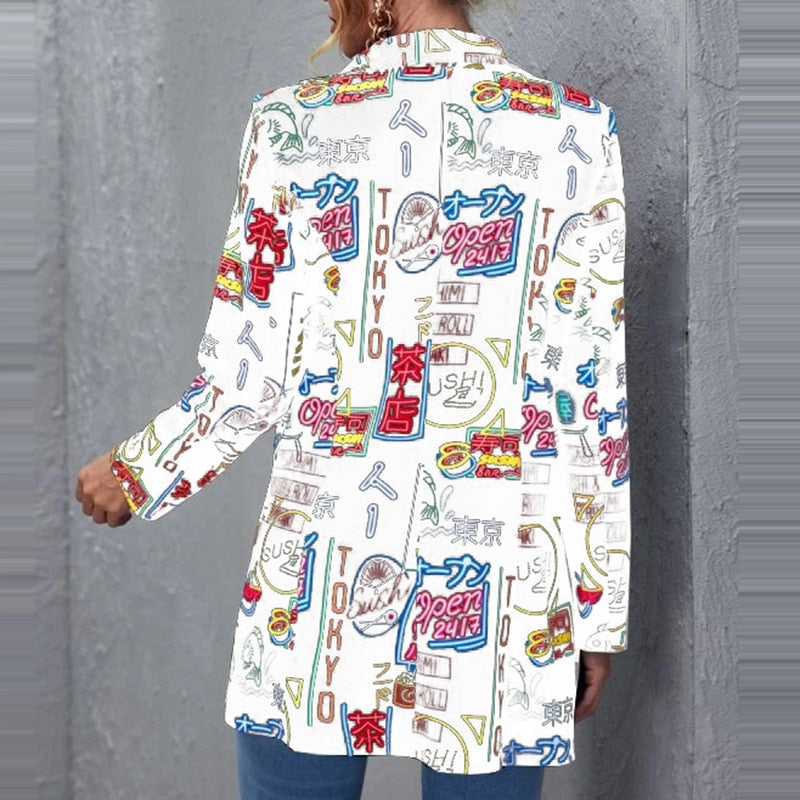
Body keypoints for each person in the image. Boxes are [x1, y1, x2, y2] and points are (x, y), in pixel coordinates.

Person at [75, 0, 630, 797]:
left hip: (317, 582)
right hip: (508, 589)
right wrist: (594, 610)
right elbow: (590, 400)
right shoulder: (576, 128)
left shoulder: (290, 126)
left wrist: (136, 471)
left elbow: (248, 377)